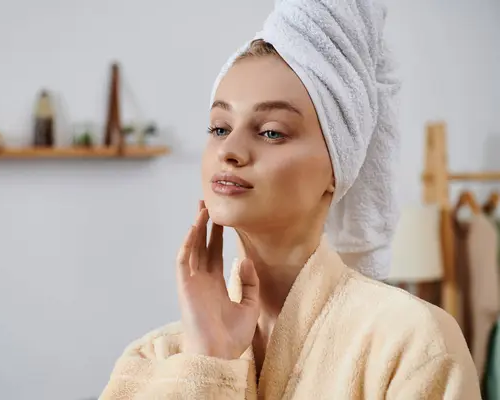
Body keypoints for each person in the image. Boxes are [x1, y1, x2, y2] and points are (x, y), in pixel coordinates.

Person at [100, 0, 480, 398]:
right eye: (219, 127)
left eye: (271, 132)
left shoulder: (411, 344)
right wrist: (208, 359)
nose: (230, 150)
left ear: (337, 167)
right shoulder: (153, 359)